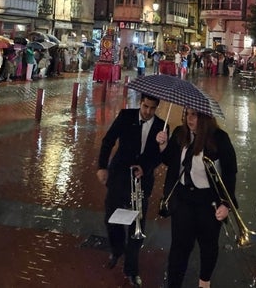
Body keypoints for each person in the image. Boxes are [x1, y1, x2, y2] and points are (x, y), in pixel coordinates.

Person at [155, 108, 238, 288]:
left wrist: (226, 204)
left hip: (208, 202)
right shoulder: (180, 133)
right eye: (187, 114)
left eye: (195, 115)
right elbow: (170, 160)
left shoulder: (219, 139)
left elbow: (230, 173)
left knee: (208, 246)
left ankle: (204, 281)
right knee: (179, 247)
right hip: (183, 199)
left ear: (205, 117)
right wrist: (162, 145)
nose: (189, 119)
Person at [97, 94, 166, 287]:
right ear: (140, 103)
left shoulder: (162, 127)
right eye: (145, 106)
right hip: (119, 175)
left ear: (157, 108)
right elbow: (108, 140)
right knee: (111, 218)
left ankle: (131, 269)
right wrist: (102, 166)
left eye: (152, 108)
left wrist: (161, 148)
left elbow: (160, 158)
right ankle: (117, 249)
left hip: (141, 181)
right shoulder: (126, 116)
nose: (148, 112)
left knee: (137, 228)